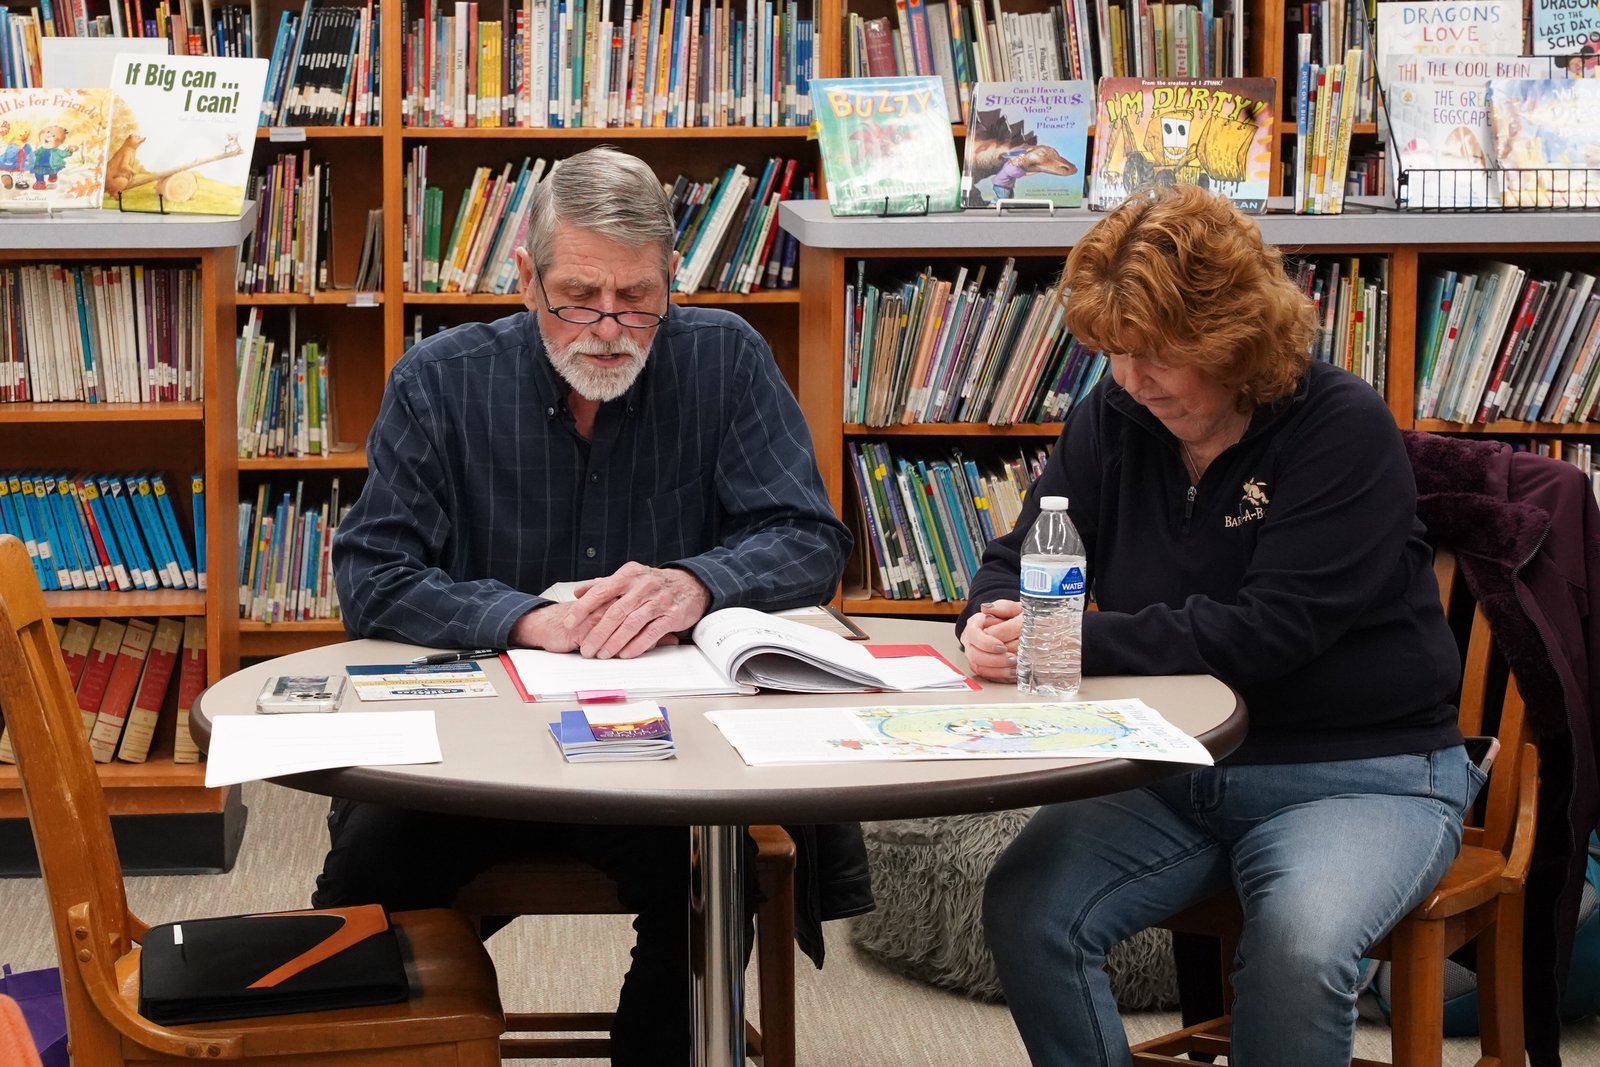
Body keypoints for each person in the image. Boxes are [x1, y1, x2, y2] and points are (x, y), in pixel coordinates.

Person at [316, 146, 859, 1066]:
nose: (608, 328)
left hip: (667, 767)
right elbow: (371, 574)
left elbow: (811, 539)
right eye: (578, 297)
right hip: (472, 761)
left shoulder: (724, 360)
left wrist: (696, 584)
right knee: (357, 916)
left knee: (712, 897)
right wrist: (527, 618)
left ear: (670, 280)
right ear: (525, 277)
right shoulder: (439, 381)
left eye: (638, 299)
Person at [958, 184, 1478, 1067]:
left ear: (1233, 339)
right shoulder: (1114, 417)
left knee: (1299, 951)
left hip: (1359, 772)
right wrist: (992, 618)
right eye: (1115, 352)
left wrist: (1070, 643)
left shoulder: (1341, 426)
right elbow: (1022, 551)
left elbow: (1270, 630)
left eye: (1156, 354)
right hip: (1173, 762)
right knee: (1027, 904)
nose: (1130, 378)